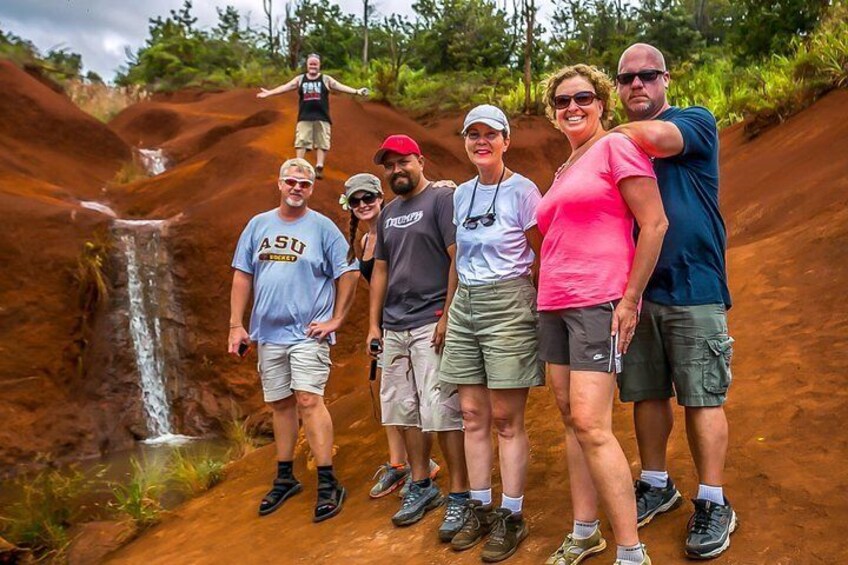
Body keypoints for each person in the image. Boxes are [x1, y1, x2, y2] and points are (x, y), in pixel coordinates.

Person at [538, 65, 668, 565]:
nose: (572, 107)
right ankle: (584, 531)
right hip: (554, 303)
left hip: (598, 301)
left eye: (583, 98)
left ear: (601, 104)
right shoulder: (565, 167)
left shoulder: (616, 146)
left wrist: (630, 299)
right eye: (562, 101)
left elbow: (654, 223)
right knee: (572, 421)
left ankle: (631, 551)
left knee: (592, 423)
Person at [612, 43, 736, 560]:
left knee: (702, 395)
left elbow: (657, 137)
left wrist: (599, 135)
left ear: (665, 80)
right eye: (626, 78)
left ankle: (712, 500)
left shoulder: (694, 121)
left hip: (695, 285)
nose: (636, 84)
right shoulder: (616, 152)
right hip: (638, 291)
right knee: (646, 393)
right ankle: (657, 482)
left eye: (646, 75)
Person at [438, 105, 544, 562]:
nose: (481, 142)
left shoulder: (523, 191)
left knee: (505, 417)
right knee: (471, 413)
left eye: (490, 134)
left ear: (506, 140)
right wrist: (449, 311)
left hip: (508, 301)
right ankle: (479, 507)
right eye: (472, 135)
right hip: (466, 305)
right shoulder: (460, 195)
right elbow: (458, 257)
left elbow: (544, 251)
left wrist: (539, 306)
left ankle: (511, 514)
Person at [228, 157, 359, 522]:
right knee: (281, 404)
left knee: (308, 398)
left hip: (307, 333)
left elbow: (348, 271)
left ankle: (328, 481)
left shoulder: (323, 228)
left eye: (304, 183)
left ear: (311, 189)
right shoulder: (258, 226)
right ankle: (285, 477)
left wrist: (337, 318)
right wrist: (236, 326)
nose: (297, 188)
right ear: (280, 183)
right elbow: (242, 276)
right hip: (268, 334)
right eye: (291, 181)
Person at [366, 134, 470, 538]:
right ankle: (422, 484)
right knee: (402, 410)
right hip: (394, 326)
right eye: (389, 165)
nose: (396, 170)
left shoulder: (441, 201)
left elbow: (455, 256)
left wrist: (449, 314)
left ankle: (460, 494)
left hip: (431, 319)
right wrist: (374, 324)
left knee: (442, 411)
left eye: (402, 162)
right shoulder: (387, 213)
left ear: (420, 161)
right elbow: (380, 270)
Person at [338, 173, 442, 498]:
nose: (363, 205)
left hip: (415, 319)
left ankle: (423, 466)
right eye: (356, 201)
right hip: (387, 324)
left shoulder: (398, 224)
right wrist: (373, 326)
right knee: (391, 398)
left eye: (368, 197)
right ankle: (399, 465)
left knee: (421, 397)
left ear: (380, 197)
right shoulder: (366, 240)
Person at [257, 53, 369, 179]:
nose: (313, 66)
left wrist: (356, 91)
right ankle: (299, 165)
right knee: (301, 141)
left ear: (319, 65)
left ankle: (319, 166)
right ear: (307, 65)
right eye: (311, 64)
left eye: (315, 64)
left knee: (322, 142)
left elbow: (339, 86)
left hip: (322, 116)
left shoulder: (325, 79)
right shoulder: (300, 79)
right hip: (305, 116)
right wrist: (270, 93)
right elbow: (286, 87)